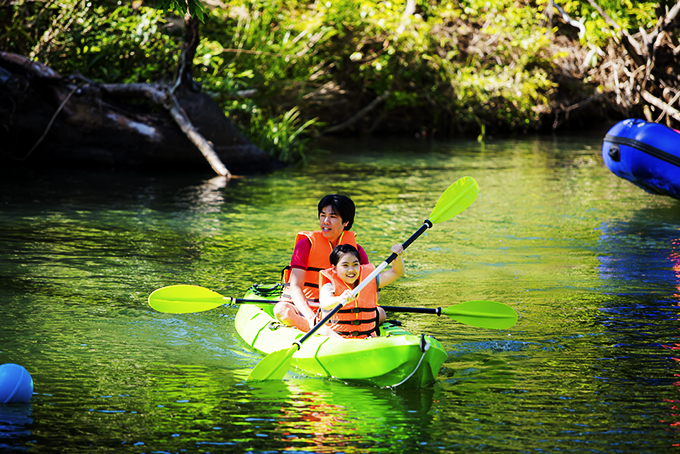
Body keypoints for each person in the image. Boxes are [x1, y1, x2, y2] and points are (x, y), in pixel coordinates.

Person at [273, 194, 369, 332]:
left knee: (380, 313)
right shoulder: (305, 245)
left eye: (333, 217)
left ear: (346, 222)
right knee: (281, 310)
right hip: (304, 305)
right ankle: (321, 330)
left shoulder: (356, 252)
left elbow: (369, 289)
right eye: (323, 215)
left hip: (336, 305)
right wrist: (310, 316)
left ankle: (334, 329)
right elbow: (295, 286)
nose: (326, 221)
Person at [317, 243, 404, 338]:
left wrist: (397, 256)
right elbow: (325, 303)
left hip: (366, 337)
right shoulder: (329, 285)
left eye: (355, 264)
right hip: (338, 338)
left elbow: (397, 272)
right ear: (334, 269)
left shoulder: (368, 280)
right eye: (345, 265)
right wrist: (340, 299)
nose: (351, 270)